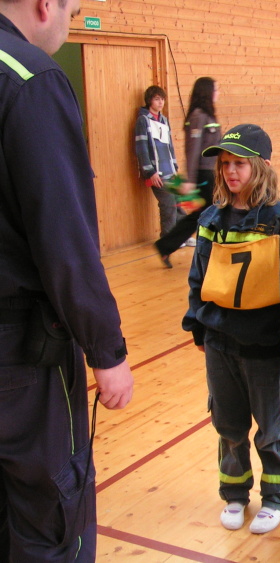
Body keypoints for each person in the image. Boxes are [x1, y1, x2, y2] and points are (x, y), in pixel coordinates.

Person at [0, 0, 134, 559]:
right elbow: (64, 236)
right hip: (20, 353)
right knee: (49, 516)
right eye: (73, 12)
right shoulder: (30, 78)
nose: (68, 23)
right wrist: (106, 349)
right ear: (44, 4)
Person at [182, 124, 280, 534]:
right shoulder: (211, 219)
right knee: (228, 426)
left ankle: (275, 497)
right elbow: (198, 277)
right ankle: (234, 494)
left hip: (267, 349)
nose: (230, 171)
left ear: (261, 166)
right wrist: (198, 327)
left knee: (271, 430)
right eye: (225, 164)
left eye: (239, 163)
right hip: (221, 343)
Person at [154, 77, 221, 268]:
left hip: (212, 173)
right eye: (216, 89)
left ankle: (166, 246)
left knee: (202, 214)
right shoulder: (198, 117)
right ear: (207, 91)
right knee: (210, 212)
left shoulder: (208, 116)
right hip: (203, 175)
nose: (218, 93)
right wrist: (190, 180)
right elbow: (193, 150)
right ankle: (208, 250)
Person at [135, 84, 181, 237]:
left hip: (170, 171)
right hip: (155, 174)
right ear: (149, 100)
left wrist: (174, 167)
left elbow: (170, 146)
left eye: (162, 99)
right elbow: (141, 148)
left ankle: (181, 236)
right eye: (157, 99)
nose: (161, 102)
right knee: (168, 204)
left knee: (179, 202)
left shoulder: (164, 120)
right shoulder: (143, 121)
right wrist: (150, 172)